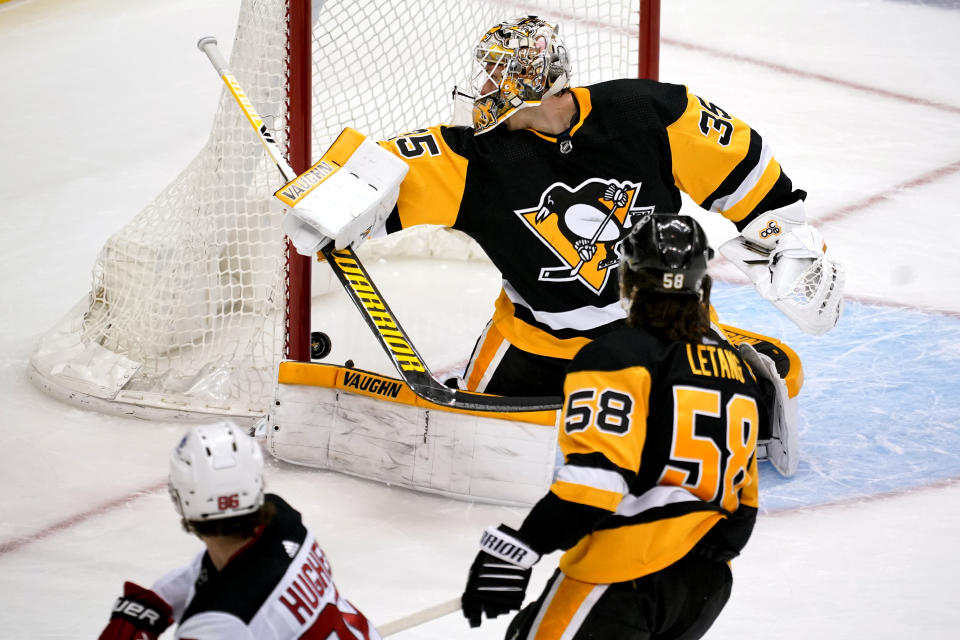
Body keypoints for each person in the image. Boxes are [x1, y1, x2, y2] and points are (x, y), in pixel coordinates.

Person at [280, 15, 844, 476]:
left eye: (498, 76)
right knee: (471, 439)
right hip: (536, 344)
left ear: (536, 84)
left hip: (661, 335)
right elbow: (377, 171)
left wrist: (783, 244)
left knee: (725, 427)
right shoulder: (471, 155)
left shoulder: (653, 115)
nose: (483, 89)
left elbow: (758, 185)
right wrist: (332, 195)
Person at [460, 214, 763, 639]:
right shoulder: (735, 369)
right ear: (701, 284)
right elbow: (744, 503)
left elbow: (595, 485)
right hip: (705, 587)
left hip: (622, 580)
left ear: (628, 280)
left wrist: (519, 549)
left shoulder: (616, 355)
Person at [97, 422, 379, 640]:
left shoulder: (215, 622)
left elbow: (234, 587)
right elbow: (225, 571)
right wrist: (155, 602)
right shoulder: (283, 520)